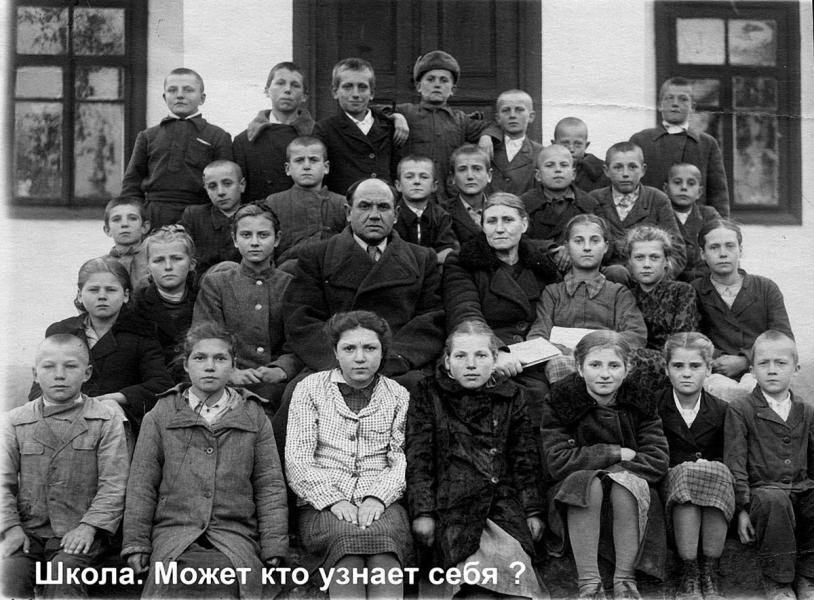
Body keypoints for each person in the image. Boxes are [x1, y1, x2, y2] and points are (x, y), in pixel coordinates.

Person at [274, 178, 444, 457]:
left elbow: (431, 318)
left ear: (396, 214)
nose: (374, 215)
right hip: (332, 362)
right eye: (364, 206)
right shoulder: (318, 256)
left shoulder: (422, 258)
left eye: (383, 207)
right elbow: (301, 317)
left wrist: (393, 359)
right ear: (348, 212)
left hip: (398, 365)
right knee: (297, 396)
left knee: (426, 401)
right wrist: (343, 361)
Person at [122, 322, 288, 599]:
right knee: (174, 579)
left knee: (228, 577)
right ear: (186, 365)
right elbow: (142, 484)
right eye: (200, 358)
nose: (210, 367)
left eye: (220, 359)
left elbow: (269, 484)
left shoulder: (253, 415)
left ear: (233, 365)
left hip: (234, 533)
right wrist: (136, 543)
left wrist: (274, 545)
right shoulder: (162, 414)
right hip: (175, 533)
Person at [406, 321, 548, 599]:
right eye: (461, 356)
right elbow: (419, 458)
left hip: (500, 504)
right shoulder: (428, 393)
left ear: (495, 360)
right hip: (450, 507)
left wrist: (532, 510)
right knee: (470, 585)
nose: (471, 364)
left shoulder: (510, 396)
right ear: (448, 362)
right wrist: (423, 513)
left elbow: (525, 457)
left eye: (481, 355)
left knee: (513, 576)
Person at [286, 311, 411, 600]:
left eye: (370, 348)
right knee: (346, 548)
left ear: (383, 351)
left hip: (383, 501)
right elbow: (298, 458)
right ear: (335, 351)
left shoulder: (398, 395)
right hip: (322, 502)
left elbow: (401, 458)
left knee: (385, 549)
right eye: (349, 348)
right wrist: (334, 500)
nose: (360, 358)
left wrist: (377, 497)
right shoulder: (309, 389)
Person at [541, 331, 670, 600]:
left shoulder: (641, 401)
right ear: (579, 367)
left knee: (624, 484)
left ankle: (625, 580)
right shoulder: (561, 401)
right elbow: (557, 461)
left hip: (630, 492)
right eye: (595, 365)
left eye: (614, 365)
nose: (604, 374)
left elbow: (657, 459)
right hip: (574, 495)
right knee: (586, 483)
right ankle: (589, 583)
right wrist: (614, 452)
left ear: (627, 368)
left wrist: (612, 475)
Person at [1, 334, 129, 600]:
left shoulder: (105, 419)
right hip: (30, 531)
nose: (59, 375)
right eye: (49, 367)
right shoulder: (14, 421)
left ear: (87, 373)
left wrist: (89, 527)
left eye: (70, 366)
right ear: (35, 374)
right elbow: (3, 482)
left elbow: (114, 483)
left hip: (83, 531)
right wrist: (10, 528)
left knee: (63, 575)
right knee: (10, 574)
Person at [443, 192, 559, 423]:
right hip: (487, 350)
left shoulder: (541, 265)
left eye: (508, 220)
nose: (499, 229)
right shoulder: (463, 262)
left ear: (524, 224)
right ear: (482, 226)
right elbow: (465, 312)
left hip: (536, 351)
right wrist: (496, 352)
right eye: (491, 221)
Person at [28, 257, 172, 432]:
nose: (102, 296)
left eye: (111, 290)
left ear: (125, 295)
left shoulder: (142, 332)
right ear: (80, 294)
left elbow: (160, 384)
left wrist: (113, 398)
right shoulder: (61, 331)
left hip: (118, 420)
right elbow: (39, 387)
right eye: (93, 290)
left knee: (109, 412)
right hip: (65, 415)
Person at [724, 331, 814, 600]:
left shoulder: (806, 411)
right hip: (762, 493)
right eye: (763, 363)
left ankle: (807, 576)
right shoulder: (741, 409)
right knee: (774, 500)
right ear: (752, 369)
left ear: (795, 368)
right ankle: (778, 581)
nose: (772, 370)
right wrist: (741, 509)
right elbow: (735, 461)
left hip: (801, 488)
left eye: (781, 363)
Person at [193, 203, 301, 415]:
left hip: (278, 386)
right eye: (246, 235)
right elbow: (205, 337)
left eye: (263, 235)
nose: (254, 242)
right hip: (226, 383)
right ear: (235, 239)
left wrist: (282, 369)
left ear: (277, 239)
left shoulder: (290, 285)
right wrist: (230, 372)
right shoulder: (217, 284)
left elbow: (299, 339)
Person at [526, 214, 647, 384]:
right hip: (563, 364)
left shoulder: (618, 293)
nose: (587, 248)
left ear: (605, 247)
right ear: (567, 247)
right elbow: (537, 336)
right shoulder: (553, 293)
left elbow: (636, 334)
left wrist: (596, 349)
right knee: (558, 365)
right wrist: (565, 351)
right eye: (578, 241)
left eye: (595, 241)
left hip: (606, 364)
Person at [658, 333, 733, 600]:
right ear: (666, 369)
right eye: (678, 366)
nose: (686, 373)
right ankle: (689, 573)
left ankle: (709, 573)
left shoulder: (723, 410)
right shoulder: (654, 407)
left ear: (709, 369)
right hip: (672, 489)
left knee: (715, 471)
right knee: (690, 473)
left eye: (695, 366)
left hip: (714, 490)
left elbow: (731, 457)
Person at [692, 219, 793, 400]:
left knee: (758, 390)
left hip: (761, 368)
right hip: (715, 372)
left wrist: (746, 360)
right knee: (718, 392)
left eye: (730, 246)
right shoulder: (694, 291)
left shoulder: (765, 288)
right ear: (702, 253)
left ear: (741, 250)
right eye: (714, 247)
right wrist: (719, 361)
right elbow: (692, 338)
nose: (723, 253)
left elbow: (783, 338)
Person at [121, 68, 232, 228]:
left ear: (202, 98)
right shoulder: (148, 136)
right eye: (172, 90)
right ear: (164, 97)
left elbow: (226, 182)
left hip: (200, 215)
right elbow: (132, 183)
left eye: (188, 90)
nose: (180, 95)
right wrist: (133, 217)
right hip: (155, 214)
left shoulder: (217, 136)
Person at [393, 50, 492, 198]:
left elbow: (492, 126)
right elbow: (374, 112)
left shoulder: (460, 120)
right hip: (412, 195)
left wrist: (486, 136)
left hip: (448, 197)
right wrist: (396, 117)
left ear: (452, 90)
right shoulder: (406, 112)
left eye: (444, 80)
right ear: (419, 86)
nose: (437, 85)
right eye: (430, 79)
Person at [630, 77, 729, 216]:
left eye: (683, 99)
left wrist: (721, 224)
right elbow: (630, 185)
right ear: (660, 105)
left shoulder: (707, 143)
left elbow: (718, 193)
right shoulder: (641, 140)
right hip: (651, 220)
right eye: (669, 98)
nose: (675, 104)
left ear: (692, 107)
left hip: (694, 222)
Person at [590, 141, 686, 283]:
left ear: (643, 170)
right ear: (606, 170)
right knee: (617, 272)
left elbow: (677, 251)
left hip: (650, 280)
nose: (625, 174)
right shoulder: (594, 199)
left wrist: (656, 280)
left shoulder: (657, 199)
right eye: (617, 167)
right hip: (607, 281)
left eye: (633, 167)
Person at [625, 225, 699, 391]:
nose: (646, 264)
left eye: (654, 257)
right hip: (629, 368)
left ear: (666, 261)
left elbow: (682, 341)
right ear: (630, 261)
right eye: (639, 257)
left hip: (673, 366)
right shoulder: (625, 295)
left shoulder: (681, 291)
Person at [313, 57, 401, 194]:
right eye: (348, 87)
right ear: (335, 92)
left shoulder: (389, 126)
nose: (355, 94)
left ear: (372, 93)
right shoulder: (325, 129)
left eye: (362, 87)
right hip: (344, 202)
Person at [232, 61, 314, 202]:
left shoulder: (318, 135)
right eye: (280, 83)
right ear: (267, 90)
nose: (287, 90)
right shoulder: (245, 141)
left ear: (305, 95)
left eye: (295, 85)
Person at [263, 136, 347, 266]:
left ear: (326, 167)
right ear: (288, 169)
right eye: (299, 160)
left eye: (313, 160)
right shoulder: (274, 202)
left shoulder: (341, 203)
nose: (306, 166)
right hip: (286, 272)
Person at [131, 225, 198, 383]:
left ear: (192, 264)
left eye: (177, 259)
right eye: (159, 260)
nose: (168, 267)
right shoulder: (136, 304)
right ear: (148, 267)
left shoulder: (203, 299)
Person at [520, 144, 598, 272]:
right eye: (550, 165)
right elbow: (519, 239)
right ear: (538, 175)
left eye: (564, 165)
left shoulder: (589, 204)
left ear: (573, 174)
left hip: (580, 268)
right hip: (537, 268)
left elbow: (603, 241)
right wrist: (550, 249)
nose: (557, 170)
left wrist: (572, 249)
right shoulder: (525, 203)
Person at [178, 159, 244, 276]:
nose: (220, 192)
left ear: (242, 185)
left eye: (227, 184)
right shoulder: (194, 216)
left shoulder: (255, 216)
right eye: (212, 186)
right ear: (206, 189)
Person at [393, 154, 459, 264]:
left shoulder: (441, 217)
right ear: (398, 185)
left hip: (434, 272)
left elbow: (448, 251)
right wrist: (432, 258)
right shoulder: (392, 216)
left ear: (434, 186)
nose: (416, 181)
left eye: (424, 177)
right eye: (409, 177)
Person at [664, 163, 721, 282]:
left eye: (691, 183)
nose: (684, 187)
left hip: (705, 280)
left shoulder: (708, 215)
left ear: (699, 192)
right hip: (671, 280)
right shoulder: (660, 215)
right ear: (666, 189)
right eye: (677, 182)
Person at [486, 89, 543, 196]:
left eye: (519, 110)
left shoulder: (540, 153)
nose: (512, 115)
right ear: (498, 118)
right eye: (506, 110)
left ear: (531, 116)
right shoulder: (487, 148)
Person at [445, 144, 493, 245]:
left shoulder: (500, 208)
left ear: (489, 175)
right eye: (462, 169)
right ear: (453, 177)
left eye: (477, 169)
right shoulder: (442, 212)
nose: (470, 176)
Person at [103, 196, 150, 291]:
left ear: (144, 227)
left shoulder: (156, 260)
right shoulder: (101, 266)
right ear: (107, 230)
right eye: (116, 219)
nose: (125, 224)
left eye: (132, 218)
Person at [551, 117, 608, 193]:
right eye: (565, 144)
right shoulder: (545, 170)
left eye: (577, 144)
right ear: (554, 144)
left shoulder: (602, 172)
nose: (571, 149)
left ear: (586, 146)